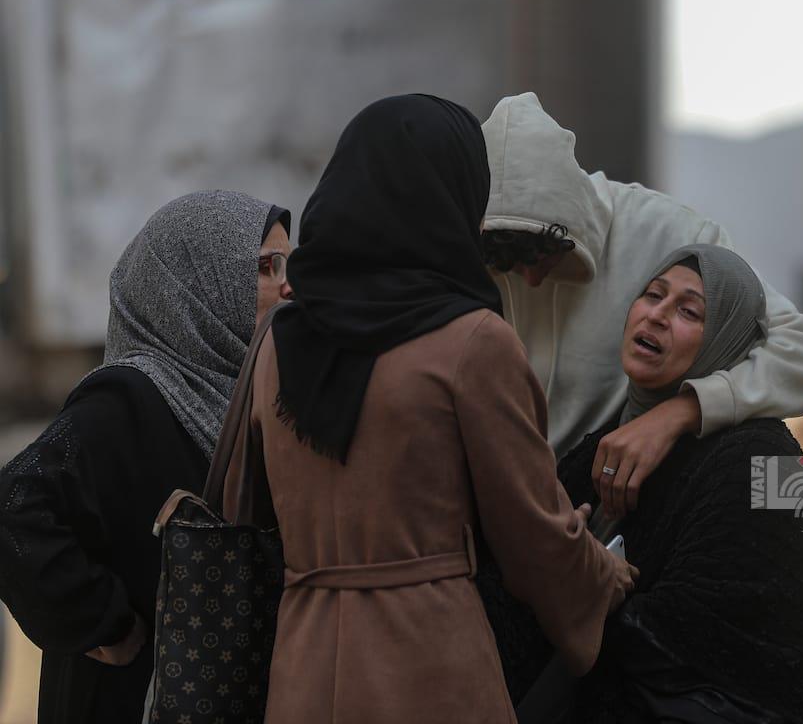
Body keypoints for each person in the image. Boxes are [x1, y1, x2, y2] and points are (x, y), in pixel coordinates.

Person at [252, 94, 635, 724]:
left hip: (302, 665)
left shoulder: (279, 343)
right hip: (427, 666)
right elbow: (533, 536)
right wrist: (604, 576)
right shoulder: (472, 341)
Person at [481, 244, 803, 723]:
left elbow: (768, 631)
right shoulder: (604, 443)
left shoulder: (771, 459)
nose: (656, 315)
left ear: (727, 338)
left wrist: (592, 588)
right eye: (653, 295)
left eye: (688, 312)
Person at [0, 191, 292, 724]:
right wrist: (104, 622)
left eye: (287, 265)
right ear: (200, 283)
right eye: (266, 266)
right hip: (128, 700)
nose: (287, 285)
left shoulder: (247, 399)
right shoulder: (128, 399)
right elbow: (14, 504)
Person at [480, 92, 803, 519]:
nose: (531, 281)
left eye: (688, 310)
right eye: (507, 265)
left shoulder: (666, 233)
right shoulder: (462, 247)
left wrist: (684, 411)